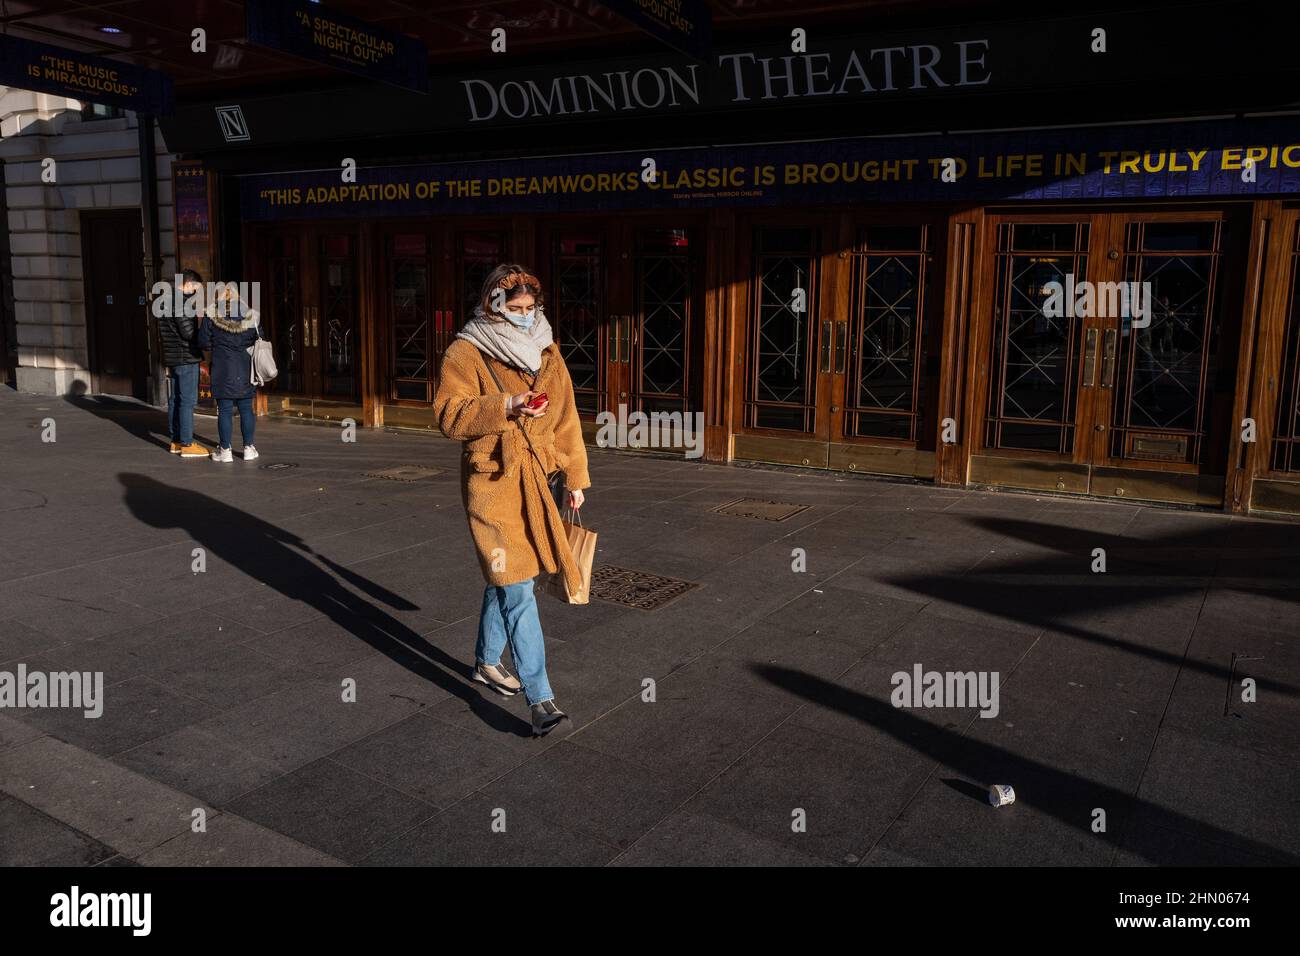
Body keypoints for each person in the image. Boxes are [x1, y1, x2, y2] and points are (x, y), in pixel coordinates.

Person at [433, 264, 589, 737]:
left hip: (542, 477)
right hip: (493, 480)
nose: (524, 316)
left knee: (511, 574)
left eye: (530, 308)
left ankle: (485, 660)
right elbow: (448, 415)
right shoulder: (466, 350)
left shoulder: (546, 347)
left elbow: (567, 417)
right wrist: (507, 405)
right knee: (517, 586)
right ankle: (541, 699)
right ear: (492, 306)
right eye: (514, 309)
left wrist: (577, 477)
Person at [196, 284, 261, 462]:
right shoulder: (251, 315)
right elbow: (259, 338)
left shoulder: (211, 315)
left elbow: (202, 341)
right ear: (238, 296)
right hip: (245, 368)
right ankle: (248, 448)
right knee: (246, 409)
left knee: (224, 410)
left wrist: (216, 347)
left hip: (222, 368)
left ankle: (225, 451)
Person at [160, 269, 207, 457]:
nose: (196, 292)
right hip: (186, 357)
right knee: (187, 400)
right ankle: (187, 443)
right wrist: (201, 321)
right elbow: (188, 333)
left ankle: (176, 440)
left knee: (176, 399)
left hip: (173, 356)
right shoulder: (181, 302)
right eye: (196, 287)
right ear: (189, 283)